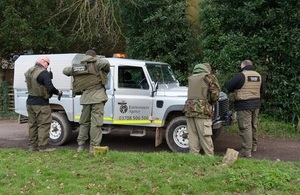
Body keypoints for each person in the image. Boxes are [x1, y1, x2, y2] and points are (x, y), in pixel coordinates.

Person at [63, 50, 110, 153]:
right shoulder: (97, 64)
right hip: (98, 97)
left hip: (85, 98)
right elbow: (106, 64)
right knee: (96, 123)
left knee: (84, 122)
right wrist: (96, 59)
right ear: (94, 56)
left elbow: (65, 71)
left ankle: (80, 145)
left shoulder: (80, 67)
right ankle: (93, 148)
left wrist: (78, 66)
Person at [225, 60, 264, 158]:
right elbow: (262, 90)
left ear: (243, 66)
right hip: (256, 104)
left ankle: (246, 151)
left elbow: (229, 86)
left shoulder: (241, 75)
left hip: (244, 105)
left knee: (245, 127)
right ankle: (254, 146)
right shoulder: (258, 76)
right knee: (253, 125)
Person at [24, 56, 62, 152]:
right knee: (44, 124)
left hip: (30, 102)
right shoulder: (43, 73)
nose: (47, 65)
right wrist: (58, 92)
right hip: (41, 103)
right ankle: (42, 147)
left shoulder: (29, 71)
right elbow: (50, 87)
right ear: (42, 61)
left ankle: (32, 147)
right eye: (47, 63)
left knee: (32, 124)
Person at [183, 63, 220, 156]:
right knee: (205, 135)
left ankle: (194, 158)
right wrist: (210, 103)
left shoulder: (192, 77)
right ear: (208, 70)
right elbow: (214, 94)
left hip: (189, 110)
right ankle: (209, 157)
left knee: (192, 136)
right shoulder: (208, 77)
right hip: (202, 111)